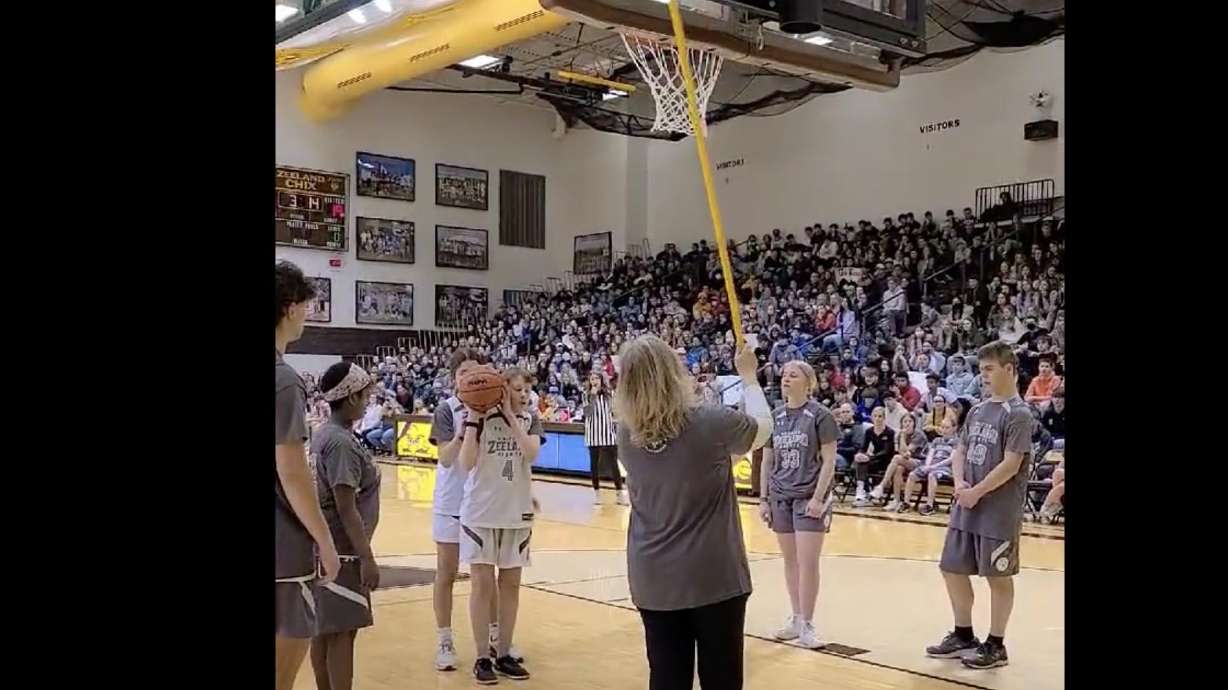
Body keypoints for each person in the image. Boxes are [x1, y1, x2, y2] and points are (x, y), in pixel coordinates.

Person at [615, 335, 772, 690]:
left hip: (652, 578)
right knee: (722, 678)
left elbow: (684, 463)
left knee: (667, 677)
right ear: (674, 372)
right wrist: (748, 377)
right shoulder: (709, 421)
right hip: (712, 576)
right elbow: (763, 429)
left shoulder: (626, 433)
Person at [926, 341, 1036, 670]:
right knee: (951, 567)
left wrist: (977, 491)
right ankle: (963, 634)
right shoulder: (976, 410)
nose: (983, 375)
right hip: (967, 503)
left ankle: (996, 644)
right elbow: (960, 450)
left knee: (997, 577)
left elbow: (1012, 463)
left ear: (1010, 370)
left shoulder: (1019, 414)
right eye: (981, 369)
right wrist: (960, 483)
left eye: (989, 369)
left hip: (997, 510)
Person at [428, 348, 518, 672]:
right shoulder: (446, 410)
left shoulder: (494, 406)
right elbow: (446, 457)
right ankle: (445, 640)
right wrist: (466, 426)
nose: (472, 377)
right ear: (455, 379)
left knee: (487, 576)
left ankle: (496, 637)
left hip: (483, 501)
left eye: (476, 371)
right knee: (447, 573)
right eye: (465, 373)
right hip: (451, 501)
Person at [275, 261, 341, 690]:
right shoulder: (283, 380)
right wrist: (325, 538)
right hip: (282, 546)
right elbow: (293, 472)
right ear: (291, 308)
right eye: (306, 304)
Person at [458, 367, 543, 684]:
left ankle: (504, 652)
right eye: (517, 389)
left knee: (510, 586)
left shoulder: (529, 419)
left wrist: (510, 415)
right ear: (501, 388)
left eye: (526, 389)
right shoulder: (477, 417)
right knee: (482, 585)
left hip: (516, 513)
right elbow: (466, 463)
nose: (523, 394)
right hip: (480, 512)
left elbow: (531, 453)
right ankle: (482, 656)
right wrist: (473, 418)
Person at [310, 363, 381, 690]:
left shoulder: (327, 433)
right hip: (344, 549)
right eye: (365, 395)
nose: (368, 401)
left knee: (325, 630)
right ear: (351, 397)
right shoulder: (340, 443)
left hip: (327, 545)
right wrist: (366, 557)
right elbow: (346, 506)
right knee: (341, 632)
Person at [759, 361, 839, 649]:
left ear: (809, 382)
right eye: (783, 375)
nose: (786, 379)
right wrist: (764, 499)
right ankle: (795, 618)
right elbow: (767, 461)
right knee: (790, 561)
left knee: (808, 562)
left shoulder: (821, 416)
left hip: (809, 498)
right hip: (781, 496)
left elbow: (829, 460)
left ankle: (807, 623)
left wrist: (819, 498)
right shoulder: (775, 416)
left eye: (793, 375)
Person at [583, 371, 626, 505]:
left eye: (596, 378)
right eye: (592, 379)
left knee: (614, 464)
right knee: (594, 464)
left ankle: (619, 494)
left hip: (607, 432)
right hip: (593, 432)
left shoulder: (609, 395)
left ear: (601, 380)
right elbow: (587, 413)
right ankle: (597, 494)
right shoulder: (586, 395)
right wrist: (593, 396)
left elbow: (615, 411)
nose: (594, 381)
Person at [870, 413, 927, 510]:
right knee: (898, 468)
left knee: (897, 458)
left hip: (921, 463)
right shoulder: (899, 435)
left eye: (910, 421)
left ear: (914, 423)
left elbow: (907, 453)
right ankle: (896, 500)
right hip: (907, 462)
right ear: (902, 424)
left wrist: (902, 437)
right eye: (905, 422)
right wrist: (901, 436)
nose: (907, 424)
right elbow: (901, 452)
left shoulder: (919, 435)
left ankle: (881, 486)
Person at [905, 416, 958, 515]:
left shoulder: (956, 442)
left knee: (932, 475)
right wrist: (927, 465)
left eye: (947, 428)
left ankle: (930, 505)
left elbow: (951, 459)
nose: (944, 430)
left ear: (954, 428)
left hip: (946, 468)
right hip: (931, 466)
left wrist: (934, 467)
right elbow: (930, 454)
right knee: (912, 475)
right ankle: (906, 503)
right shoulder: (936, 441)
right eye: (942, 427)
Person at [852, 407, 895, 507]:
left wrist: (870, 457)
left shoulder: (889, 432)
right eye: (875, 416)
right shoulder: (869, 431)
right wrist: (860, 454)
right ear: (871, 418)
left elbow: (886, 451)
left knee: (864, 462)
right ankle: (861, 490)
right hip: (873, 460)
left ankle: (865, 490)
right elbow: (863, 447)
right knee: (859, 462)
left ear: (884, 418)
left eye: (880, 416)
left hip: (885, 461)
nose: (877, 419)